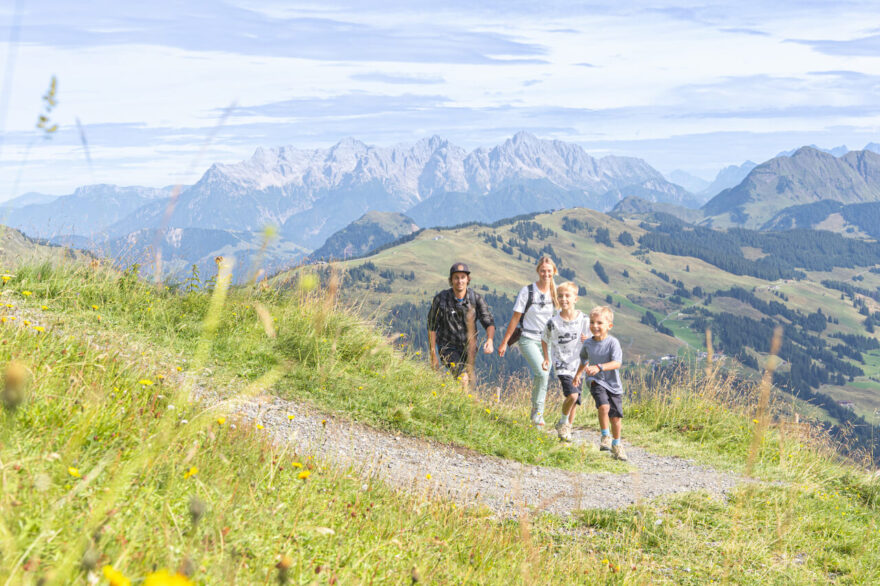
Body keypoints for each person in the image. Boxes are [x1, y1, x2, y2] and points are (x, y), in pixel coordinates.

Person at [497, 256, 559, 427]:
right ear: (538, 271)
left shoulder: (557, 292)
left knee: (543, 377)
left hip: (547, 341)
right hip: (528, 338)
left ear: (554, 272)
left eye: (549, 271)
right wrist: (504, 342)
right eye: (542, 271)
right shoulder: (528, 291)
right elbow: (515, 318)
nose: (546, 274)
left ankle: (536, 412)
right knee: (542, 373)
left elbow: (565, 315)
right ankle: (538, 416)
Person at [427, 262, 495, 388]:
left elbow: (489, 322)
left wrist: (490, 340)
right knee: (462, 378)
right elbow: (431, 327)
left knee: (466, 381)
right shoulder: (441, 299)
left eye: (463, 277)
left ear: (468, 279)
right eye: (456, 277)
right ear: (451, 280)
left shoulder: (476, 299)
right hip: (447, 346)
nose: (460, 281)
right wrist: (433, 355)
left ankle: (456, 403)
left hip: (469, 349)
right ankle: (463, 405)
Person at [574, 306, 626, 460]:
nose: (594, 326)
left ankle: (617, 445)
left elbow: (617, 363)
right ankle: (605, 436)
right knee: (604, 406)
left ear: (609, 326)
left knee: (615, 419)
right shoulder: (588, 344)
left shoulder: (613, 343)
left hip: (613, 384)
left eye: (599, 323)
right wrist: (578, 374)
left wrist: (599, 367)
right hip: (596, 381)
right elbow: (583, 360)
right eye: (592, 322)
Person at [540, 282, 589, 442]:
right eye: (560, 296)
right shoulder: (553, 322)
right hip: (562, 364)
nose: (563, 299)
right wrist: (547, 358)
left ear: (576, 299)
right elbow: (544, 339)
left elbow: (595, 339)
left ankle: (566, 430)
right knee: (573, 395)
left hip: (579, 365)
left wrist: (588, 340)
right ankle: (562, 422)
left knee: (575, 399)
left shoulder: (584, 320)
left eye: (567, 296)